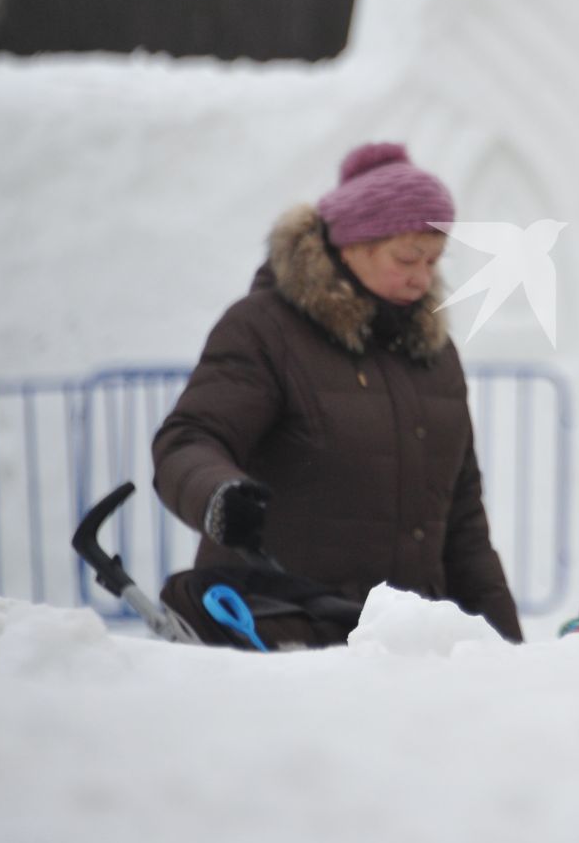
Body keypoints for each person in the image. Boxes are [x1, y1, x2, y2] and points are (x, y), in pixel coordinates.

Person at [153, 142, 523, 646]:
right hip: (278, 628)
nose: (422, 277)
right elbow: (188, 439)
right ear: (352, 244)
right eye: (407, 258)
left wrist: (509, 652)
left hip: (399, 646)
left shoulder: (435, 357)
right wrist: (218, 493)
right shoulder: (265, 330)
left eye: (434, 261)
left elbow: (463, 525)